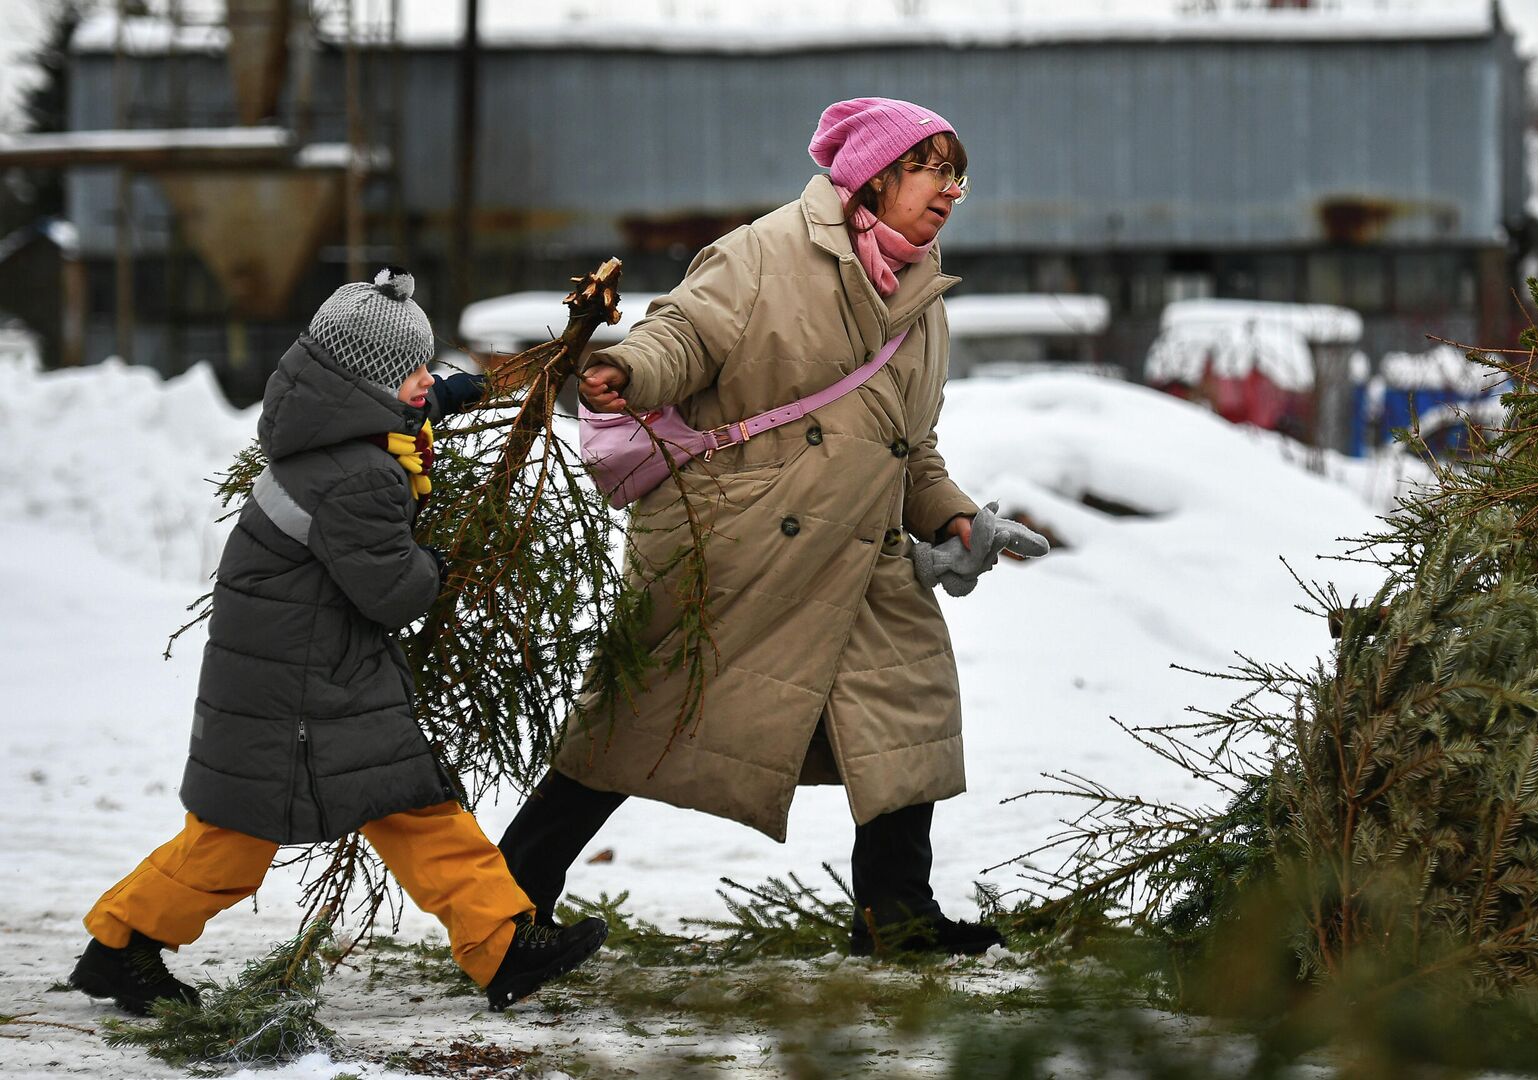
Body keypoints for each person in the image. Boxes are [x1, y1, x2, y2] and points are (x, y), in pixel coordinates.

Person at [499, 98, 1013, 957]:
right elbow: (684, 335)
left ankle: (898, 912)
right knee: (630, 725)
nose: (952, 192)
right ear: (874, 175)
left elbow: (908, 445)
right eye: (935, 170)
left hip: (859, 548)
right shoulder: (765, 252)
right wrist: (627, 369)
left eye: (960, 175)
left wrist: (954, 513)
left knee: (904, 707)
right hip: (736, 541)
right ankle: (506, 904)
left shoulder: (925, 295)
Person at [69, 268, 607, 1017]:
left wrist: (456, 393)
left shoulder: (329, 432)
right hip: (301, 685)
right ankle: (122, 946)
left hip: (306, 668)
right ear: (369, 383)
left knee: (416, 807)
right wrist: (443, 564)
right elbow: (391, 591)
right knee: (238, 841)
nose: (426, 381)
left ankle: (504, 945)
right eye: (413, 371)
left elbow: (397, 427)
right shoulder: (358, 477)